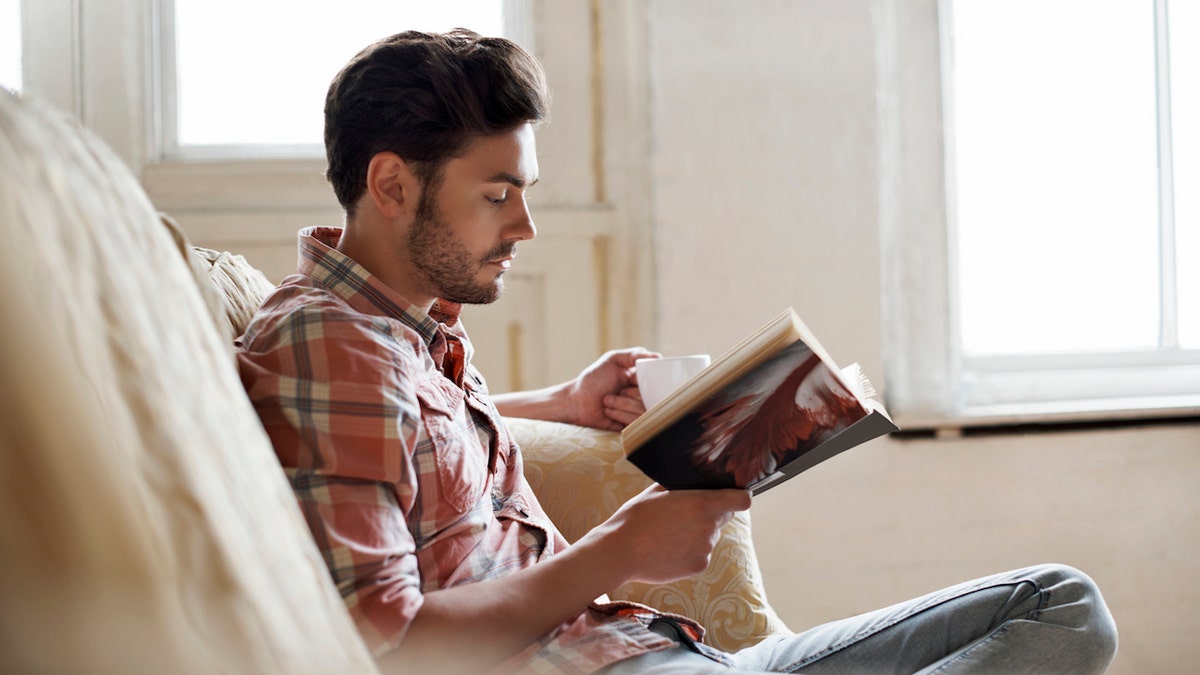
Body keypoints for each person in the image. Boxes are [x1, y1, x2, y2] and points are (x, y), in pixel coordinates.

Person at [236, 29, 1118, 674]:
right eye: (498, 193)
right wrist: (620, 546)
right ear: (392, 183)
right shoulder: (327, 345)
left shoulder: (398, 333)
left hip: (648, 649)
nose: (526, 225)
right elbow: (386, 646)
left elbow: (401, 442)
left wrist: (559, 403)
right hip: (602, 661)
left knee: (1060, 603)